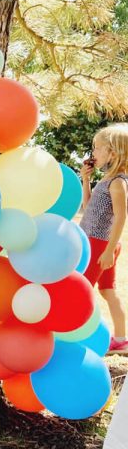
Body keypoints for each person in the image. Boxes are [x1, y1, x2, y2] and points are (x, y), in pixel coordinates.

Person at [80, 124, 128, 353]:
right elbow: (89, 207)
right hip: (100, 243)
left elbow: (121, 217)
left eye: (97, 148)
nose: (93, 154)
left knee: (83, 289)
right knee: (106, 291)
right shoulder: (107, 179)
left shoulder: (118, 182)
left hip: (99, 243)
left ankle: (78, 333)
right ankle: (120, 340)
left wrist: (108, 250)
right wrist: (86, 181)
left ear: (113, 152)